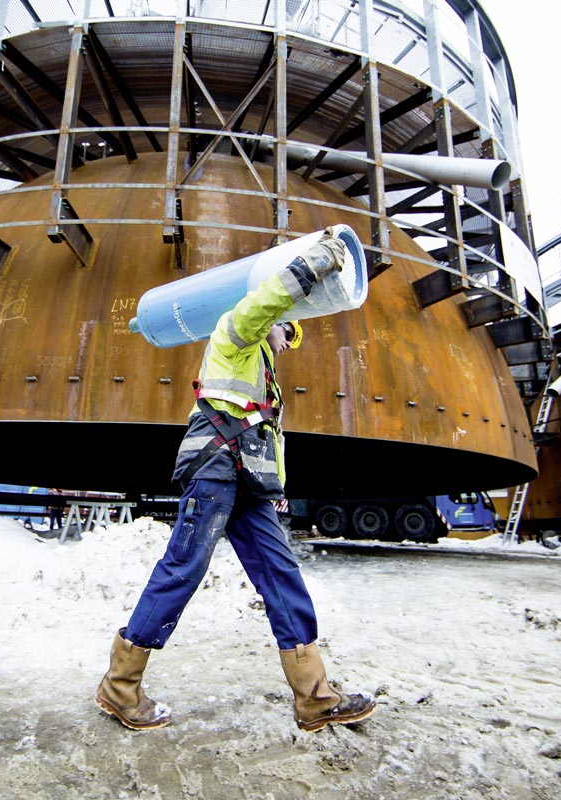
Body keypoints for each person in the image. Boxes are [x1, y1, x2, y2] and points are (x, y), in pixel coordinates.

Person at [96, 227, 376, 733]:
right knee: (184, 567)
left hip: (249, 482)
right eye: (285, 325)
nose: (289, 335)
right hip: (214, 472)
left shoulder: (264, 365)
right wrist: (315, 263)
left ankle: (314, 698)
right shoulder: (233, 330)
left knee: (281, 574)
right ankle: (120, 688)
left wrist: (278, 490)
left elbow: (271, 432)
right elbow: (268, 302)